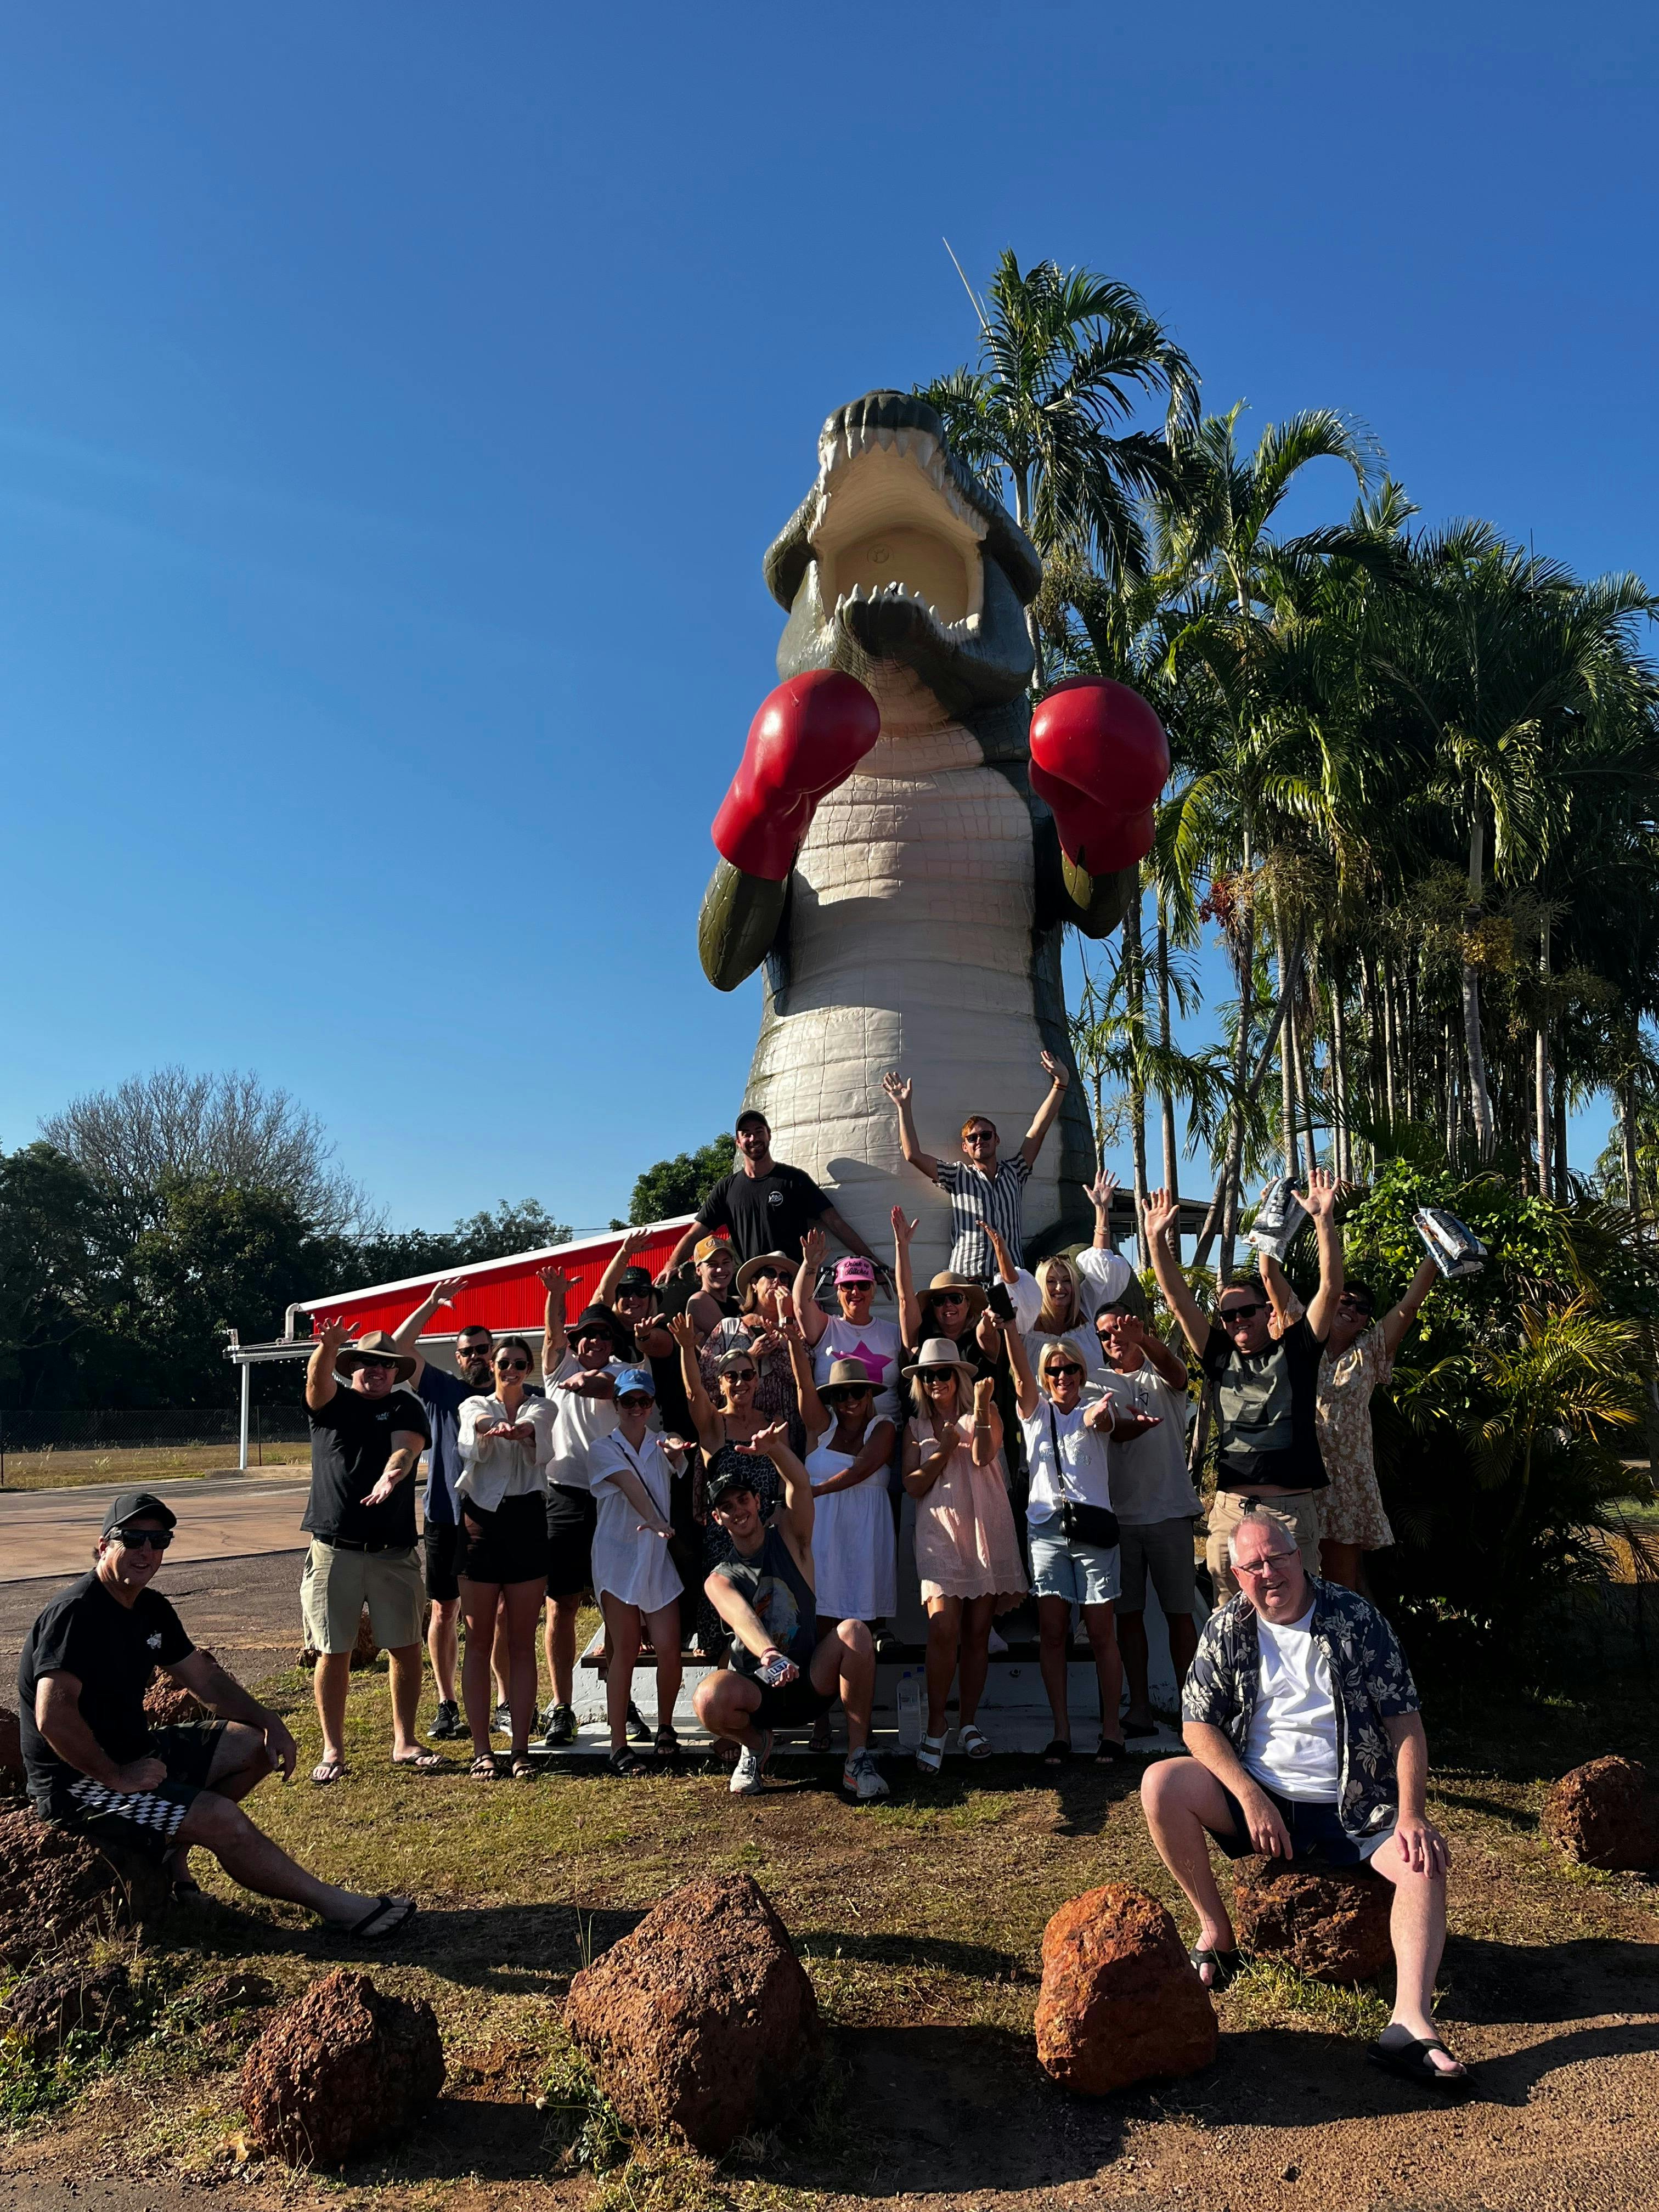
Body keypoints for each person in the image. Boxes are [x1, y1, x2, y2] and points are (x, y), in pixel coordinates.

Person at [1140, 1508, 1471, 2093]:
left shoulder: (1355, 1619)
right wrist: (1248, 1795)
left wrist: (1413, 1813)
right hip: (1264, 1793)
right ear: (1237, 1575)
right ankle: (1218, 1932)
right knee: (1162, 1785)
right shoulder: (1227, 1627)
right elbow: (1198, 1726)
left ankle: (1409, 2024)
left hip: (1357, 1801)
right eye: (1253, 1565)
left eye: (1278, 1558)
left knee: (1424, 1862)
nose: (1269, 1573)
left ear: (1302, 1558)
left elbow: (1406, 1725)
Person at [18, 1492, 415, 1939]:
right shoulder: (76, 1615)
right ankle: (340, 1908)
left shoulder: (150, 1609)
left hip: (135, 1753)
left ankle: (172, 1851)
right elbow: (53, 1716)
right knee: (221, 1819)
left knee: (254, 1746)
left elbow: (204, 1681)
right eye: (132, 1539)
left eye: (159, 1540)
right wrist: (116, 1776)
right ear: (103, 1545)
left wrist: (270, 1721)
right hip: (80, 1784)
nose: (146, 1552)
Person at [1144, 1173, 1343, 1599]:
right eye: (1228, 1315)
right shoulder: (1218, 1355)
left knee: (1294, 1622)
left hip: (1289, 1512)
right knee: (1229, 1624)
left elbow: (1331, 1287)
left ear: (1266, 1309)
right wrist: (1155, 1240)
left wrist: (1323, 1220)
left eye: (1247, 1310)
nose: (1237, 1321)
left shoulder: (1299, 1349)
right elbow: (1178, 1300)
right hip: (1232, 1511)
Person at [692, 1435, 890, 1803]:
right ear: (718, 1518)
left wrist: (774, 1450)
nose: (738, 1510)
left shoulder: (791, 1538)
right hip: (758, 1693)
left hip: (809, 1683)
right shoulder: (719, 1578)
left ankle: (857, 1759)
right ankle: (755, 1745)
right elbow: (742, 1616)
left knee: (855, 1632)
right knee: (707, 1699)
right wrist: (769, 1654)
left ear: (757, 1501)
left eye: (742, 1499)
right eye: (726, 1506)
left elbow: (800, 1484)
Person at [1006, 1324, 1151, 1766]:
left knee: (1102, 1632)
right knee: (1052, 1633)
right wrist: (1009, 1324)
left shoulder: (1093, 1407)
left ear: (1082, 1372)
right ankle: (1062, 1732)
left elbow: (1103, 1421)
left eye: (1071, 1368)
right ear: (1044, 1377)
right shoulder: (1033, 1411)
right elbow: (1017, 1369)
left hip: (1093, 1530)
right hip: (1047, 1530)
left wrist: (1099, 1417)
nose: (1063, 1376)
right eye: (1055, 1371)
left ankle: (1112, 1732)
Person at [302, 1324, 439, 1784]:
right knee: (333, 1650)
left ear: (394, 1372)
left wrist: (392, 1476)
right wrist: (328, 1345)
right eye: (368, 1363)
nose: (377, 1371)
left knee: (405, 1645)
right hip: (334, 1550)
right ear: (353, 1368)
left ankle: (405, 1740)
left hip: (392, 1551)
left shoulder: (405, 1405)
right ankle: (333, 1750)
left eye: (386, 1364)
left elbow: (406, 1449)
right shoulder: (332, 1406)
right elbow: (315, 1383)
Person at [1258, 1249, 1443, 1591]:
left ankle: (1354, 1644)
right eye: (1346, 1300)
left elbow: (1409, 1306)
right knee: (1294, 1579)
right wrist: (1274, 1226)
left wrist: (1433, 1256)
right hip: (1297, 1476)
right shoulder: (1299, 1328)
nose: (1352, 1310)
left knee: (1343, 1584)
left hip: (1347, 1482)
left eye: (1363, 1309)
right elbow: (1270, 1275)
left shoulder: (1371, 1349)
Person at [902, 1331, 1028, 1769]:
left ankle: (969, 1722)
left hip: (985, 1527)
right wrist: (942, 1451)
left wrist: (977, 1411)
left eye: (943, 1374)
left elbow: (982, 1455)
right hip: (939, 1533)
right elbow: (913, 1484)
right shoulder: (916, 1428)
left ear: (958, 1376)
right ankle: (937, 1726)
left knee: (978, 1633)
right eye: (928, 1376)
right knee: (943, 1629)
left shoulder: (985, 1410)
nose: (936, 1382)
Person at [387, 1278, 495, 1742]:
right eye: (468, 1350)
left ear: (494, 1353)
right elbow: (396, 1348)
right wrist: (432, 1304)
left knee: (497, 1615)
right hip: (443, 1517)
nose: (477, 1356)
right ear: (458, 1357)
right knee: (444, 1611)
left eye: (483, 1349)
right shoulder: (439, 1390)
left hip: (493, 1521)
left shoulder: (510, 1393)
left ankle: (505, 1704)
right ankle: (447, 1703)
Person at [1090, 1300, 1201, 1735]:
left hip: (1171, 1513)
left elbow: (1178, 1372)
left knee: (1180, 1616)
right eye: (1104, 1333)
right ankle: (1139, 1708)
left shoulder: (1160, 1375)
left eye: (1120, 1329)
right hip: (1118, 1520)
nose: (1113, 1338)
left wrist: (1146, 1340)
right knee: (1129, 1618)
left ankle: (1195, 1711)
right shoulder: (1093, 1384)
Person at [537, 1272, 634, 1748]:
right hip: (564, 1497)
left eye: (602, 1334)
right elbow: (554, 1338)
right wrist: (557, 1295)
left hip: (612, 1500)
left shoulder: (624, 1374)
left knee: (616, 1605)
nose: (593, 1341)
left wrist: (588, 1380)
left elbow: (603, 1389)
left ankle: (621, 1699)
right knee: (563, 1604)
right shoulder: (556, 1371)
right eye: (586, 1335)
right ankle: (561, 1706)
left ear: (613, 1342)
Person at [455, 1337, 553, 1780]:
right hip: (481, 1524)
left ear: (528, 1368)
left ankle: (520, 1749)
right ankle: (481, 1749)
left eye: (518, 1364)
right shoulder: (475, 1403)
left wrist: (520, 1431)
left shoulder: (541, 1407)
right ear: (491, 1367)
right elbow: (472, 1424)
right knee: (477, 1640)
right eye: (503, 1363)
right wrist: (487, 1428)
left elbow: (538, 1430)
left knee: (520, 1642)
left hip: (527, 1522)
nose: (510, 1369)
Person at [882, 1053, 1071, 1279]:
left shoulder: (1016, 1171)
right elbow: (912, 1155)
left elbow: (1038, 1130)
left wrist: (1061, 1084)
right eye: (972, 1138)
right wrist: (904, 1106)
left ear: (997, 1139)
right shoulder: (957, 1176)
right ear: (966, 1147)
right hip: (968, 1280)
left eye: (986, 1135)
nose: (979, 1140)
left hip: (1010, 1279)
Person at [585, 1368, 689, 1776]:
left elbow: (677, 1455)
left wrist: (678, 1450)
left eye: (644, 1401)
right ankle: (618, 1746)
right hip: (617, 1556)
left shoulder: (661, 1443)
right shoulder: (602, 1448)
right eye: (629, 1401)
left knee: (669, 1646)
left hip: (656, 1556)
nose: (636, 1409)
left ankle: (665, 1729)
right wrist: (656, 1521)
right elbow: (629, 1486)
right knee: (624, 1649)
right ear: (617, 1404)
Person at [656, 1109, 882, 1273]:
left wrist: (873, 1262)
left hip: (795, 1282)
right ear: (738, 1142)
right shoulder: (726, 1189)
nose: (753, 1138)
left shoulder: (794, 1180)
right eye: (746, 1134)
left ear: (769, 1135)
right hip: (753, 1289)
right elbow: (695, 1233)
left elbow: (836, 1223)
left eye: (759, 1131)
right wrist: (670, 1265)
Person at [796, 1353, 898, 1637]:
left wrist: (816, 1491)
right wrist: (794, 1344)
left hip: (866, 1538)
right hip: (823, 1537)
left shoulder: (884, 1426)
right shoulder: (822, 1429)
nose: (849, 1399)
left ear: (868, 1394)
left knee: (864, 1628)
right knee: (821, 1620)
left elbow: (861, 1469)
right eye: (841, 1393)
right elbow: (803, 1387)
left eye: (856, 1391)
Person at [793, 1228, 904, 1427]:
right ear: (837, 1292)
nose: (855, 1291)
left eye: (863, 1285)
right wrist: (810, 1266)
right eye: (847, 1285)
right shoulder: (826, 1327)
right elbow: (801, 1305)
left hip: (887, 1437)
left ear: (873, 1291)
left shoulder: (893, 1332)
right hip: (835, 1437)